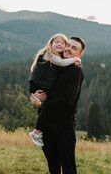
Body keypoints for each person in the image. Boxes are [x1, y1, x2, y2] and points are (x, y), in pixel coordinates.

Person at [30, 36, 86, 174]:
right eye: (68, 45)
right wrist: (35, 94)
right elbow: (40, 81)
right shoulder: (55, 65)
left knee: (68, 168)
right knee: (53, 166)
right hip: (47, 125)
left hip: (63, 127)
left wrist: (43, 104)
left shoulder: (76, 71)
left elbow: (67, 100)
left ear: (79, 55)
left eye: (74, 48)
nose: (68, 48)